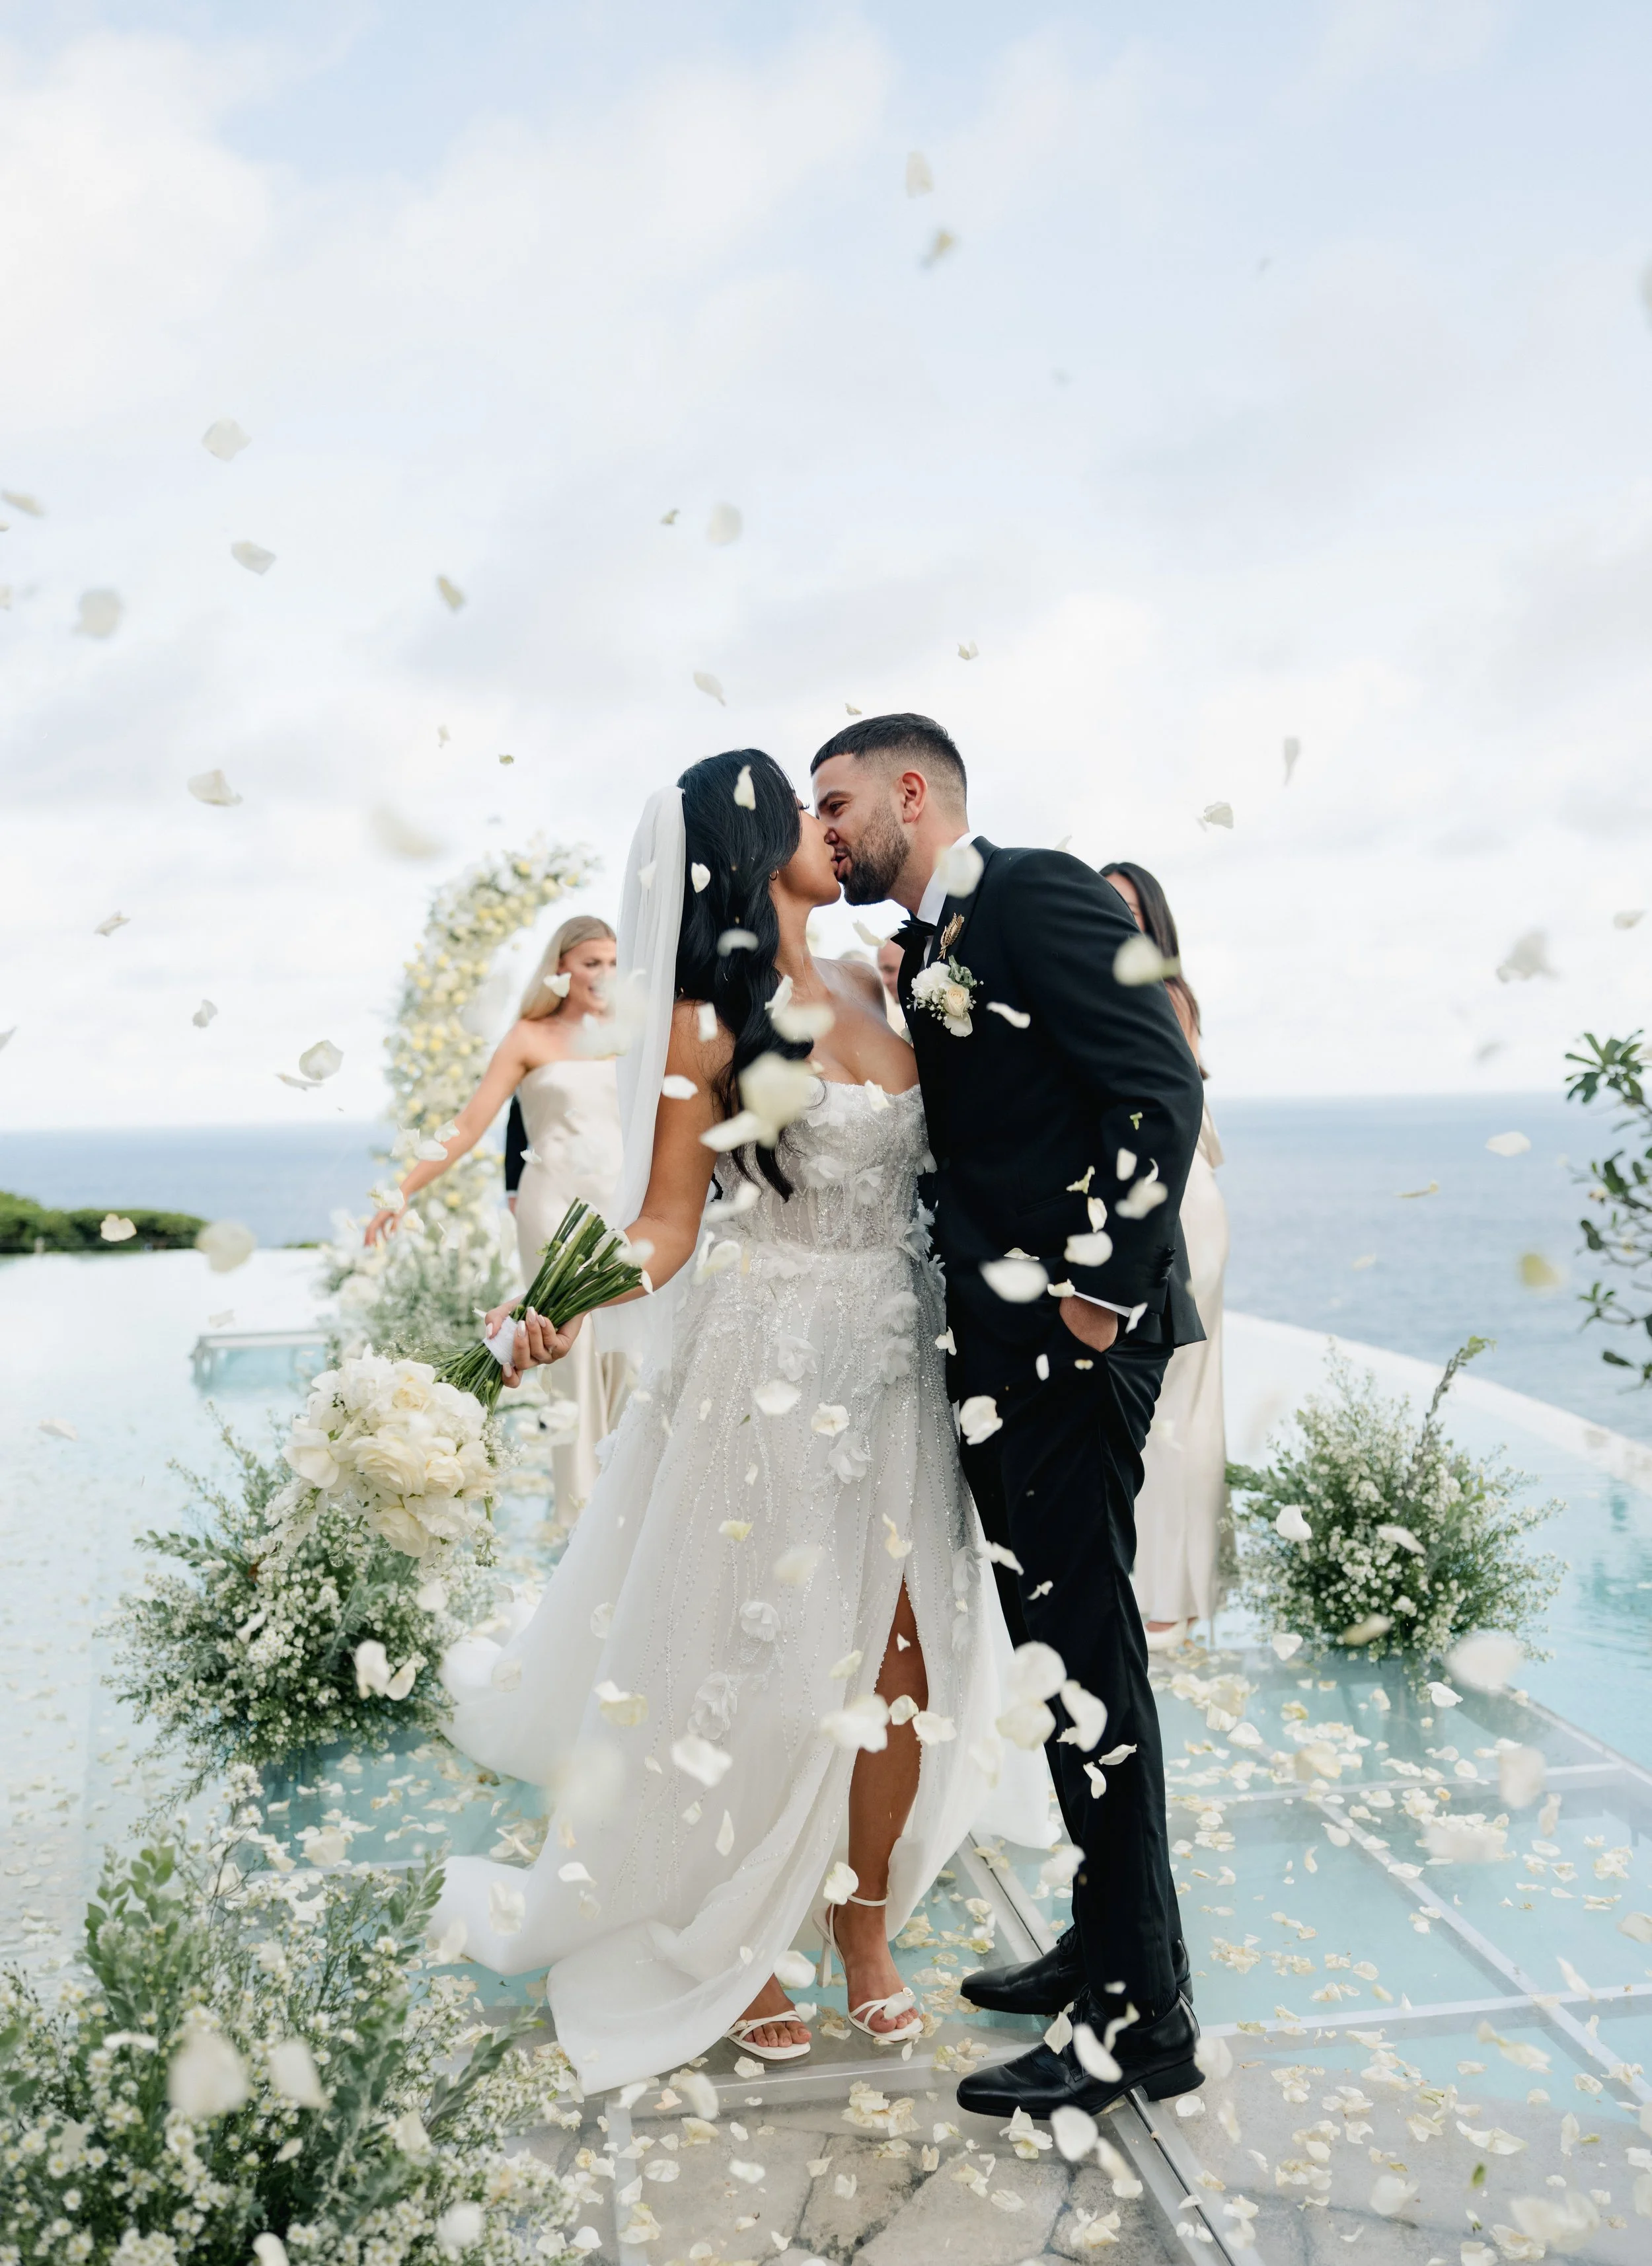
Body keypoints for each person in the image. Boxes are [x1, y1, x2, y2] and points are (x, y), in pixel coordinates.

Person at [430, 751, 1036, 2092]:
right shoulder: (708, 1024)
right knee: (756, 1668)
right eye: (809, 814)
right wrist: (563, 1300)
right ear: (752, 850)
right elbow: (662, 1224)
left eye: (840, 808)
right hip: (767, 1364)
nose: (836, 830)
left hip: (899, 1360)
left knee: (903, 1664)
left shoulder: (888, 978)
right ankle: (740, 1941)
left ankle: (860, 1927)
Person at [811, 712, 1207, 2120]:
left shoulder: (1030, 890)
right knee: (1065, 1670)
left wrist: (1095, 1297)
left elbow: (1160, 1078)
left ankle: (1136, 2024)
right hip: (997, 1354)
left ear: (910, 792)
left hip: (1064, 1354)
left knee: (1090, 1670)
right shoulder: (932, 941)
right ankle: (1110, 1954)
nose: (832, 826)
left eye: (840, 800)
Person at [363, 914, 633, 1519]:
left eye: (615, 962)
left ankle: (631, 1512)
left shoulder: (636, 1035)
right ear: (561, 966)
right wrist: (402, 1191)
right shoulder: (529, 1038)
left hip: (626, 1210)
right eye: (592, 961)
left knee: (633, 1358)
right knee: (570, 1365)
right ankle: (580, 1518)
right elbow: (467, 1125)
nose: (604, 974)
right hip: (553, 1208)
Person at [1100, 862, 1232, 1645]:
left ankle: (1165, 1597)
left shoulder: (1159, 995)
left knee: (1176, 1399)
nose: (1112, 920)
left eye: (1126, 908)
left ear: (1154, 923)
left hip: (1178, 1202)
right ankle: (1158, 1590)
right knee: (1168, 1401)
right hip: (1167, 1196)